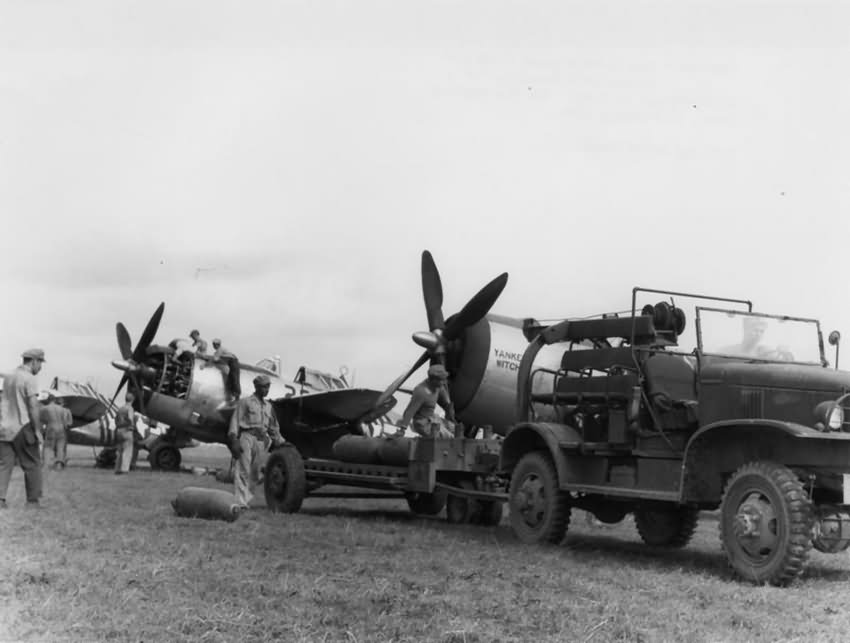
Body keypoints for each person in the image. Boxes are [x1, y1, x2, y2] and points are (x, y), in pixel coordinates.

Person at [227, 374, 285, 509]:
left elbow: (274, 428)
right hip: (246, 438)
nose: (267, 390)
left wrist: (282, 442)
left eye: (268, 387)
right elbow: (235, 421)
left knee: (255, 473)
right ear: (257, 387)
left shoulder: (269, 406)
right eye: (264, 387)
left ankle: (246, 499)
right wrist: (234, 440)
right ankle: (241, 502)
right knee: (243, 471)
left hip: (261, 442)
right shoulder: (245, 402)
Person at [0, 348, 47, 508]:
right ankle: (32, 502)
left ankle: (0, 499)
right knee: (33, 463)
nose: (40, 367)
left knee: (5, 465)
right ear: (34, 361)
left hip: (5, 427)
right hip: (22, 426)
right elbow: (33, 406)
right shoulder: (29, 378)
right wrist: (37, 430)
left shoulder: (9, 377)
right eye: (40, 363)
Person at [396, 364, 456, 438]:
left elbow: (443, 392)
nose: (444, 382)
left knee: (455, 429)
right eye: (441, 380)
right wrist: (402, 429)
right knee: (451, 437)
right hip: (422, 423)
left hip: (432, 417)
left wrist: (448, 406)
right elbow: (409, 411)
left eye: (444, 379)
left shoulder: (437, 386)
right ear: (434, 380)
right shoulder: (421, 392)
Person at [41, 394, 72, 470]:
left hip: (51, 428)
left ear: (48, 400)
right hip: (61, 429)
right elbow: (66, 422)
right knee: (60, 447)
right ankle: (59, 465)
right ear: (54, 400)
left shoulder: (44, 408)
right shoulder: (63, 409)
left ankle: (46, 465)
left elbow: (42, 420)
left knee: (47, 447)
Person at [114, 392, 136, 475]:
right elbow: (130, 418)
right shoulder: (130, 408)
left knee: (119, 451)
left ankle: (117, 468)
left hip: (119, 430)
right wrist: (132, 425)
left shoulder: (120, 408)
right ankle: (124, 469)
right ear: (132, 400)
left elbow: (116, 420)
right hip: (127, 430)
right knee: (127, 450)